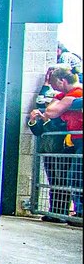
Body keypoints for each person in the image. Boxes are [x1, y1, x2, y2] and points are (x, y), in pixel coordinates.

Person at [28, 66, 82, 222]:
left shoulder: (74, 96)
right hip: (54, 147)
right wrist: (35, 119)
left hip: (64, 146)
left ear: (62, 81)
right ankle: (57, 212)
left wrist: (47, 114)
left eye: (54, 84)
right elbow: (47, 113)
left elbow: (50, 112)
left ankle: (66, 213)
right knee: (57, 180)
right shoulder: (63, 96)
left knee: (69, 178)